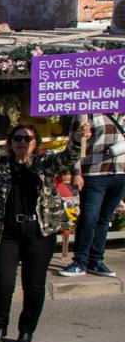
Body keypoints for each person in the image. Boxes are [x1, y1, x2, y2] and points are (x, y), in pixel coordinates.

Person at [0, 122, 90, 342]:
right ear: (10, 143)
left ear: (35, 143)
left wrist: (78, 139)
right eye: (17, 139)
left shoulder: (45, 163)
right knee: (2, 282)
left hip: (38, 231)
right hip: (7, 231)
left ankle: (26, 330)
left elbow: (67, 158)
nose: (22, 142)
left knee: (33, 284)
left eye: (27, 139)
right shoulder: (0, 165)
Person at [60, 113, 125, 278]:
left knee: (104, 219)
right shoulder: (87, 112)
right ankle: (80, 261)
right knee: (89, 218)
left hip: (121, 173)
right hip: (94, 172)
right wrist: (76, 172)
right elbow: (73, 143)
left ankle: (96, 261)